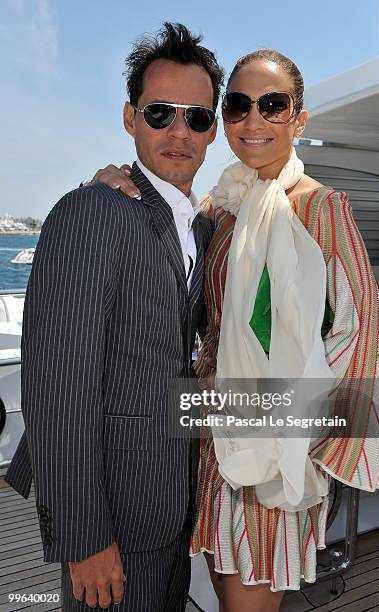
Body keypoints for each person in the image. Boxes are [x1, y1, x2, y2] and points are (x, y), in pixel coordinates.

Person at [93, 48, 379, 612]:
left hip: (272, 455)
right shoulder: (220, 209)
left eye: (272, 105)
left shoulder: (321, 209)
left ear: (298, 119)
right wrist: (111, 188)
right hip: (212, 447)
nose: (253, 120)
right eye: (236, 105)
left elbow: (363, 343)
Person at [5, 23, 224, 611]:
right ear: (130, 119)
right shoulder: (91, 212)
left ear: (213, 129)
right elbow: (57, 390)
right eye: (161, 113)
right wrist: (85, 538)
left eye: (197, 117)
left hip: (176, 506)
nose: (180, 132)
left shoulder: (200, 227)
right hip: (114, 524)